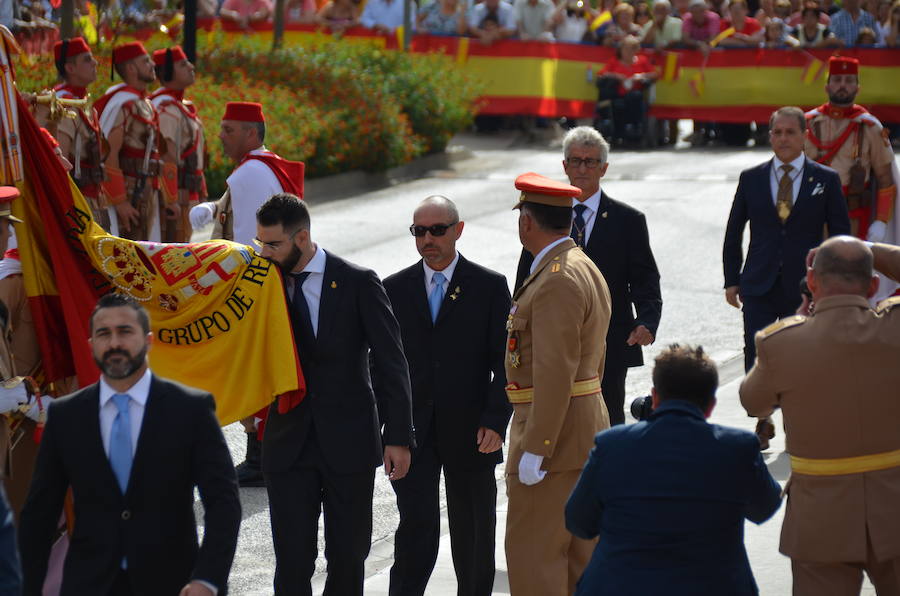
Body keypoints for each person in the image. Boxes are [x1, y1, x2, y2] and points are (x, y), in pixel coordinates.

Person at [18, 293, 242, 596]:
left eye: (125, 331)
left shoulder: (191, 409)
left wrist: (208, 579)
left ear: (148, 340)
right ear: (91, 345)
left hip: (174, 584)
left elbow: (223, 502)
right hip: (89, 584)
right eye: (103, 334)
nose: (114, 343)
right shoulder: (66, 416)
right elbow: (40, 514)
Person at [254, 193, 414, 596]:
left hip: (349, 444)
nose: (264, 253)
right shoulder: (259, 283)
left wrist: (397, 437)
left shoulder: (359, 281)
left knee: (347, 558)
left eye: (273, 244)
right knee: (292, 562)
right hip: (287, 444)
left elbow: (392, 362)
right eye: (261, 243)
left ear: (302, 237)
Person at [740, 236, 900, 596]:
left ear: (812, 284)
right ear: (874, 285)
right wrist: (869, 248)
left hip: (822, 518)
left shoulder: (782, 343)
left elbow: (754, 403)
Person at [566, 344, 782, 596]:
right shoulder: (738, 448)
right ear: (711, 405)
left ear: (654, 397)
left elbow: (578, 522)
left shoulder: (612, 445)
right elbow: (765, 508)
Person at [382, 196, 511, 596]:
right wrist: (392, 434)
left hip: (472, 430)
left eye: (437, 230)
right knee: (415, 530)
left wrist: (495, 420)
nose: (427, 239)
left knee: (473, 532)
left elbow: (508, 361)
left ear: (458, 229)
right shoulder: (393, 289)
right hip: (413, 433)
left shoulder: (488, 286)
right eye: (419, 231)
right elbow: (383, 368)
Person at [505, 172, 612, 596]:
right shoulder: (579, 266)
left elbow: (555, 370)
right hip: (579, 431)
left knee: (536, 555)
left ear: (527, 222)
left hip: (553, 436)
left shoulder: (556, 280)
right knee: (578, 556)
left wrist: (537, 447)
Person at [515, 127, 662, 427]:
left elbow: (644, 276)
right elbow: (525, 274)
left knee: (606, 411)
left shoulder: (628, 220)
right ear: (564, 166)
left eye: (590, 162)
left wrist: (647, 319)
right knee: (554, 409)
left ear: (603, 168)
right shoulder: (543, 215)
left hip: (610, 335)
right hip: (551, 333)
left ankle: (610, 470)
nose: (582, 168)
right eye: (576, 160)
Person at [190, 101, 304, 487]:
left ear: (251, 133)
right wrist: (213, 208)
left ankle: (260, 456)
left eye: (228, 129)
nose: (219, 136)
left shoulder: (249, 174)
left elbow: (250, 244)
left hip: (254, 286)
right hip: (272, 284)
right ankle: (264, 452)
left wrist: (232, 291)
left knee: (252, 367)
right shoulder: (258, 167)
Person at [723, 106, 850, 448]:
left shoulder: (825, 180)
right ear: (770, 137)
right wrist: (731, 279)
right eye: (777, 133)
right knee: (758, 349)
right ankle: (763, 419)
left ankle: (798, 418)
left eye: (790, 132)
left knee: (802, 354)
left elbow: (840, 236)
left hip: (806, 287)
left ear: (804, 136)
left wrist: (837, 284)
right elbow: (734, 231)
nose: (783, 139)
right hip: (759, 282)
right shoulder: (751, 178)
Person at [804, 56, 898, 248]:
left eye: (849, 81)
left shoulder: (870, 126)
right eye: (837, 80)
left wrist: (881, 221)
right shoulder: (807, 123)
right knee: (812, 270)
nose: (842, 85)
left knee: (850, 271)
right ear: (827, 86)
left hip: (853, 216)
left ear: (858, 88)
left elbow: (885, 179)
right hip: (812, 211)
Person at [94, 42, 171, 242]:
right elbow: (108, 154)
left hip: (148, 192)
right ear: (130, 68)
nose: (152, 64)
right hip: (129, 196)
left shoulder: (144, 103)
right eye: (145, 61)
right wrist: (120, 202)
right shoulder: (123, 104)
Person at [35, 37, 109, 230]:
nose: (95, 63)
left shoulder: (81, 101)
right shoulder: (63, 103)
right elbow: (61, 158)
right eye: (87, 59)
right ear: (70, 68)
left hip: (92, 197)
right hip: (76, 200)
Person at [149, 46, 206, 243]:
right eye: (183, 64)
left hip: (186, 192)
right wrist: (170, 199)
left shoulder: (180, 106)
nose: (191, 67)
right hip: (175, 197)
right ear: (167, 72)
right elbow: (165, 156)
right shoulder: (165, 108)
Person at [596, 36, 658, 144]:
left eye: (632, 49)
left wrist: (641, 76)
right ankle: (619, 133)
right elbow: (602, 74)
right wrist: (616, 76)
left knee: (636, 97)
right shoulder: (614, 62)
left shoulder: (642, 61)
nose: (628, 52)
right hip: (618, 95)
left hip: (635, 96)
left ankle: (635, 129)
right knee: (618, 104)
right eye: (626, 49)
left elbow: (654, 74)